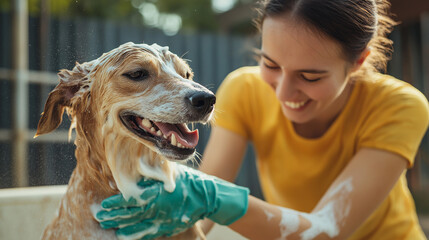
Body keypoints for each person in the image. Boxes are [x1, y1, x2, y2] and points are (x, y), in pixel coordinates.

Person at [96, 0, 429, 239]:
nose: (283, 93)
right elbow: (199, 218)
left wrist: (213, 198)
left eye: (310, 76)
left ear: (358, 61)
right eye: (270, 64)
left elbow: (326, 231)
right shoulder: (245, 89)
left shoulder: (399, 106)